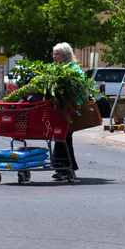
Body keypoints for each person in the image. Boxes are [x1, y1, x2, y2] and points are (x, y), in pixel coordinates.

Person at [50, 42, 84, 180]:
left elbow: (80, 89)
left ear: (64, 55)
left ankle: (67, 168)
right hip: (55, 110)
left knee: (64, 137)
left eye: (56, 54)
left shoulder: (74, 70)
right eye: (53, 54)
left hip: (68, 110)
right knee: (60, 137)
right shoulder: (53, 68)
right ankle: (63, 168)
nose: (53, 56)